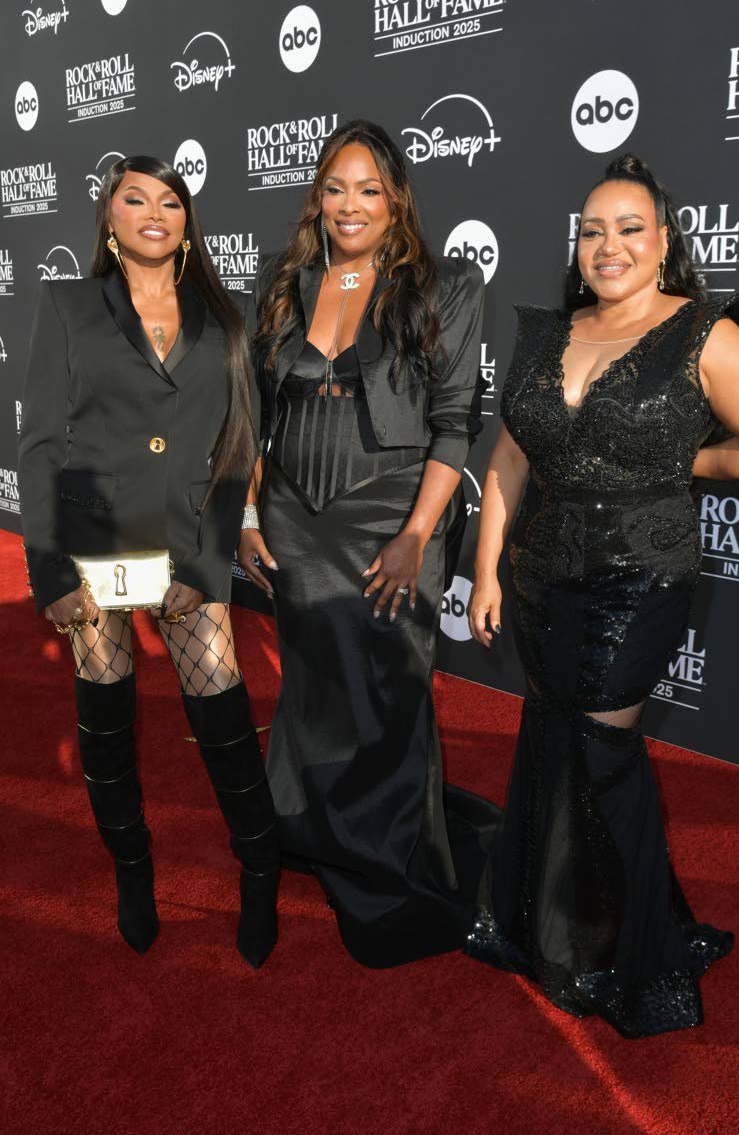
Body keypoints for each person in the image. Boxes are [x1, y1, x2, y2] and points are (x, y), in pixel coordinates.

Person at [466, 154, 739, 1037]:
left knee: (603, 757)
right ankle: (547, 925)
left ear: (662, 243)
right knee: (549, 742)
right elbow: (509, 458)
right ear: (575, 246)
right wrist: (490, 561)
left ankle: (626, 949)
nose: (607, 246)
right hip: (541, 574)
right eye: (591, 230)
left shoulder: (704, 333)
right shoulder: (547, 333)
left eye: (628, 228)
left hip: (638, 578)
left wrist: (674, 463)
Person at [238, 118, 498, 967]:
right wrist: (247, 514)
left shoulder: (443, 285)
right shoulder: (287, 280)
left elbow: (455, 425)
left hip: (393, 511)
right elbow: (253, 417)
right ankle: (309, 828)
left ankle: (387, 857)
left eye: (369, 190)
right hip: (293, 515)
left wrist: (418, 535)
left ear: (397, 201)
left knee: (387, 687)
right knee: (313, 685)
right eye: (336, 187)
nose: (350, 205)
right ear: (318, 195)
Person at [18, 155, 279, 967]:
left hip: (189, 539)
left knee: (224, 711)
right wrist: (52, 572)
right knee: (105, 713)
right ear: (109, 217)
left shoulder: (223, 314)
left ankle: (261, 869)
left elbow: (236, 450)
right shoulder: (68, 306)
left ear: (188, 222)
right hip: (95, 543)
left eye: (171, 200)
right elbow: (38, 447)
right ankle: (134, 869)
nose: (155, 212)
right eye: (136, 199)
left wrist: (206, 563)